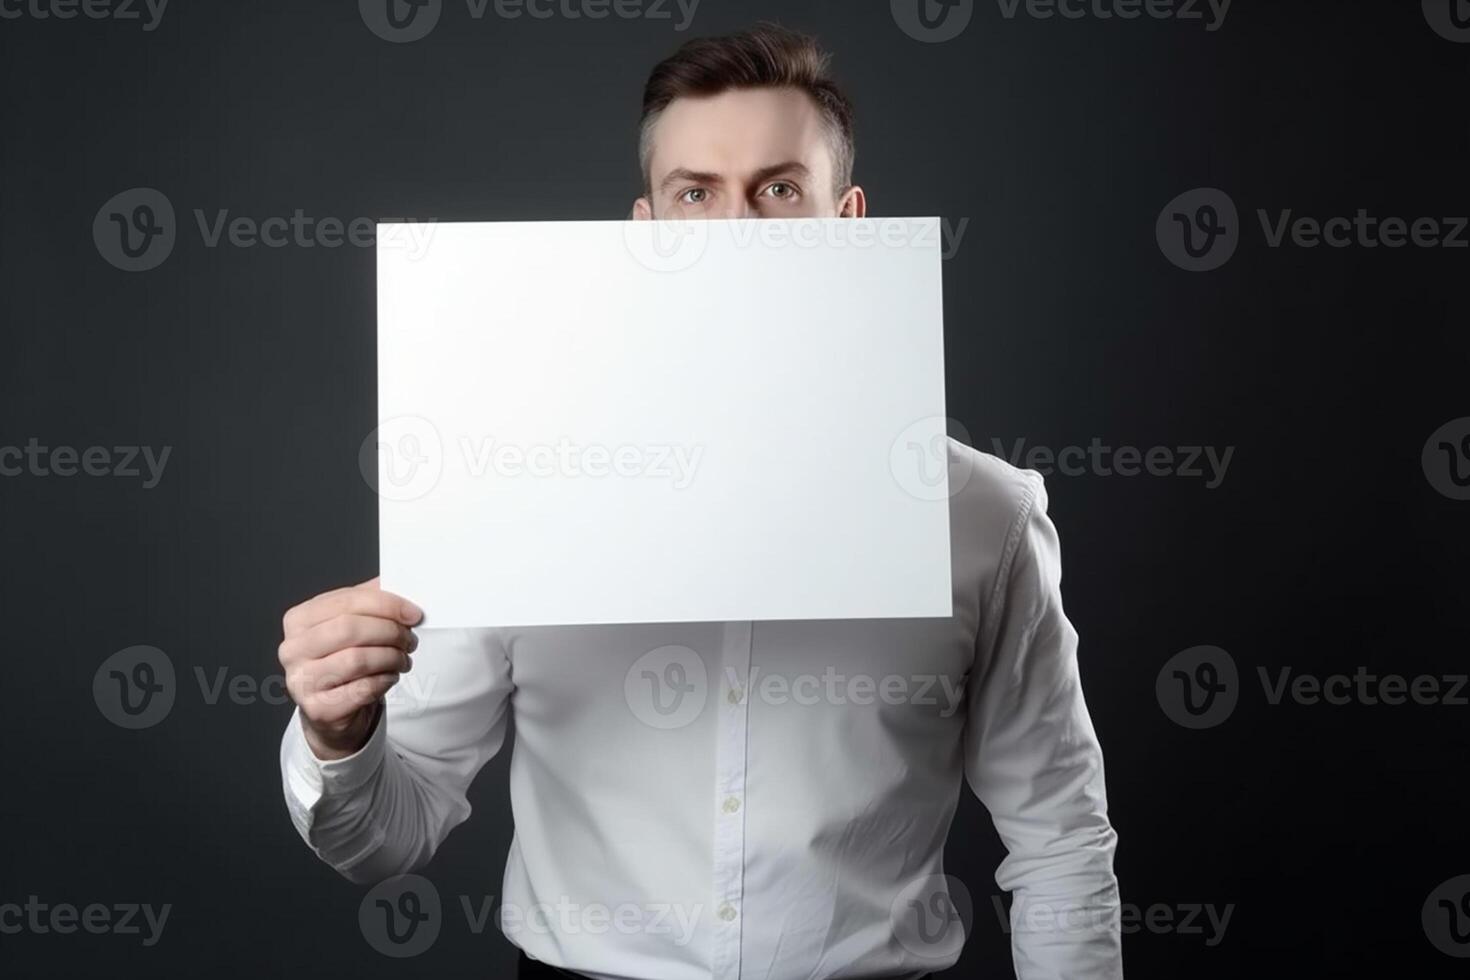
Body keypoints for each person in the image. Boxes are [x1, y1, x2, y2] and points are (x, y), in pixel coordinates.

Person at [278, 24, 1122, 980]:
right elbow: (385, 838)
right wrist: (338, 738)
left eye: (779, 189)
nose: (737, 232)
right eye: (696, 193)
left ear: (849, 222)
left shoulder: (982, 516)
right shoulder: (512, 493)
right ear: (647, 231)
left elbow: (1060, 843)